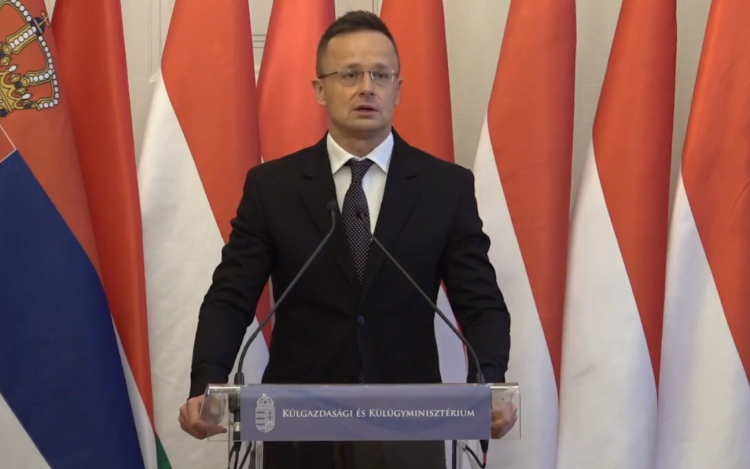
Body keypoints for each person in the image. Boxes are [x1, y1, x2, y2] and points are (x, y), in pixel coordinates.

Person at [178, 10, 515, 469]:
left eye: (381, 75)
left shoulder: (445, 188)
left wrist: (488, 384)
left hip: (408, 432)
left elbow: (481, 304)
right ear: (320, 89)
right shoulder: (273, 188)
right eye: (350, 74)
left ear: (398, 88)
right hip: (298, 431)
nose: (367, 88)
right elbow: (231, 297)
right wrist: (208, 382)